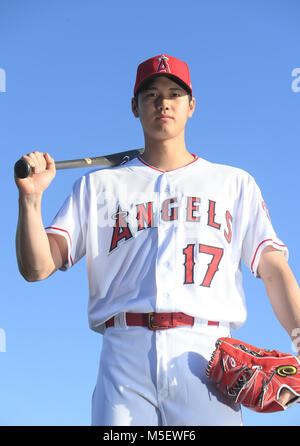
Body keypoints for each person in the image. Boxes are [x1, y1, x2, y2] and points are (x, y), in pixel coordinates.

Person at [15, 54, 300, 426]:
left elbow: (274, 267)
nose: (162, 102)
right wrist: (31, 199)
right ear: (135, 107)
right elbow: (36, 268)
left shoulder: (234, 183)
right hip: (123, 353)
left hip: (206, 356)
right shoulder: (97, 185)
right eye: (150, 94)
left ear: (191, 105)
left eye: (174, 93)